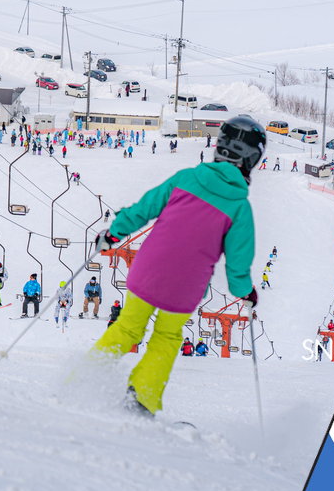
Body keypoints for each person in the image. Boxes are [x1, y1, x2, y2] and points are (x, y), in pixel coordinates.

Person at [90, 114, 264, 417]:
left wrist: (114, 232)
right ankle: (142, 399)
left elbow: (145, 209)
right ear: (251, 160)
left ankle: (84, 376)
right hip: (185, 287)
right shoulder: (239, 207)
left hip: (149, 270)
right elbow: (238, 263)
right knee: (167, 337)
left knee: (128, 328)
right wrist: (245, 292)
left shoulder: (185, 178)